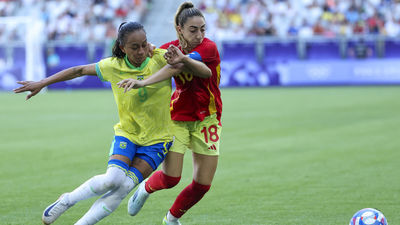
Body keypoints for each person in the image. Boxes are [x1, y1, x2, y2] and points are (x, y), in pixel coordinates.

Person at [13, 22, 183, 225]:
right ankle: (67, 200)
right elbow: (78, 70)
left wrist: (159, 51)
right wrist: (42, 82)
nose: (141, 51)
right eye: (134, 47)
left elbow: (183, 64)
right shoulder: (112, 66)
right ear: (123, 48)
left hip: (158, 140)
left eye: (144, 44)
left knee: (123, 189)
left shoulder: (159, 58)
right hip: (127, 133)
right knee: (112, 180)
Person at [121, 2, 222, 225]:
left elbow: (194, 69)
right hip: (177, 118)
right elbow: (156, 59)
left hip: (208, 119)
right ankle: (145, 189)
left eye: (203, 29)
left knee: (203, 184)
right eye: (193, 30)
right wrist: (150, 53)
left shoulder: (209, 48)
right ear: (180, 29)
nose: (200, 35)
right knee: (170, 178)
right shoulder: (169, 49)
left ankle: (171, 218)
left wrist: (181, 58)